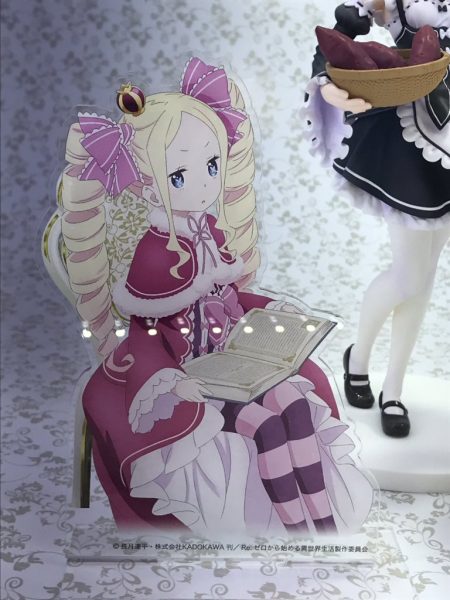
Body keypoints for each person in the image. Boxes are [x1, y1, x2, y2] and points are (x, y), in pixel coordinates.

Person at [60, 57, 373, 534]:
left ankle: (322, 523)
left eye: (212, 166)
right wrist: (167, 379)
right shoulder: (153, 254)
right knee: (266, 426)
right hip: (192, 374)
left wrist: (274, 312)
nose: (207, 185)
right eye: (180, 177)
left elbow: (230, 300)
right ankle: (292, 527)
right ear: (149, 189)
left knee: (294, 404)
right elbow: (146, 334)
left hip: (232, 361)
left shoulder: (210, 232)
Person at [305, 0, 450, 437]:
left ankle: (394, 388)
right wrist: (327, 85)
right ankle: (360, 357)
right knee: (409, 277)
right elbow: (339, 37)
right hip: (411, 138)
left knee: (424, 277)